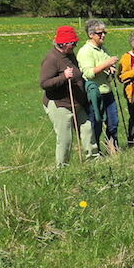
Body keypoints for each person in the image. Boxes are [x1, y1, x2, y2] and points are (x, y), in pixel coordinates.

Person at [40, 25, 100, 166]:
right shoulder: (52, 59)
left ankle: (94, 160)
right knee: (65, 138)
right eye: (72, 43)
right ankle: (62, 168)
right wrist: (63, 77)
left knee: (87, 129)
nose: (75, 45)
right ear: (63, 44)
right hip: (60, 104)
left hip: (76, 102)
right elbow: (44, 83)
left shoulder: (69, 54)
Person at [77, 19, 119, 153]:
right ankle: (95, 153)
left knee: (113, 122)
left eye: (104, 32)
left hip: (107, 91)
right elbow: (89, 73)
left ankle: (112, 149)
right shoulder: (85, 51)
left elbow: (102, 68)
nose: (103, 35)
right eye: (99, 33)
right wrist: (107, 64)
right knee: (96, 124)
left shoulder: (103, 50)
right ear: (90, 35)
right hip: (94, 93)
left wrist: (110, 69)